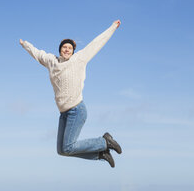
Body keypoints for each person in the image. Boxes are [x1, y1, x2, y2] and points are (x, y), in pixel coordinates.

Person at [19, 20, 122, 168]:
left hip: (76, 110)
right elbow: (38, 54)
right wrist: (25, 45)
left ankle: (104, 142)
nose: (67, 50)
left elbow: (96, 43)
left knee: (68, 147)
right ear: (60, 49)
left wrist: (112, 28)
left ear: (73, 51)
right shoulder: (52, 62)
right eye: (64, 47)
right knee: (62, 150)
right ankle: (100, 154)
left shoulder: (78, 60)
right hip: (64, 113)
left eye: (70, 48)